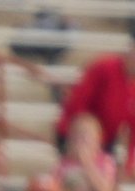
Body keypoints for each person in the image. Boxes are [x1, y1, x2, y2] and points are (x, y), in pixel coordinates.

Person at [54, 40, 135, 177]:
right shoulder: (105, 67)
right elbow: (79, 99)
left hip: (106, 138)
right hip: (80, 132)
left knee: (102, 178)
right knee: (76, 176)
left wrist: (130, 161)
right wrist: (79, 134)